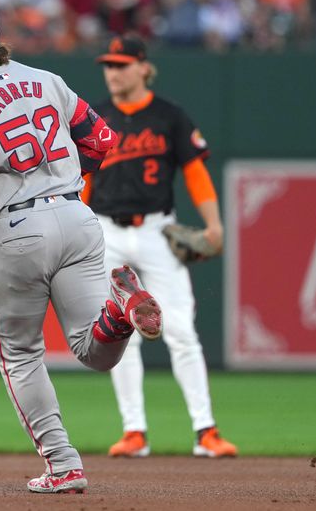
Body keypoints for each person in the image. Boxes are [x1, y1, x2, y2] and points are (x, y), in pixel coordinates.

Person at [0, 0, 163, 494]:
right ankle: (121, 310)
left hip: (15, 228)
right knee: (95, 351)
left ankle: (64, 464)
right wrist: (62, 182)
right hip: (76, 214)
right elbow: (103, 139)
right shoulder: (46, 80)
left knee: (21, 355)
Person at [87, 34, 237, 458]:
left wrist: (214, 223)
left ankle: (206, 430)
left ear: (143, 68)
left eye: (121, 64)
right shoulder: (96, 117)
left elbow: (195, 171)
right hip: (106, 233)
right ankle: (134, 431)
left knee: (182, 331)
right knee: (120, 335)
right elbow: (83, 180)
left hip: (157, 231)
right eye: (108, 64)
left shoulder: (170, 116)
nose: (112, 72)